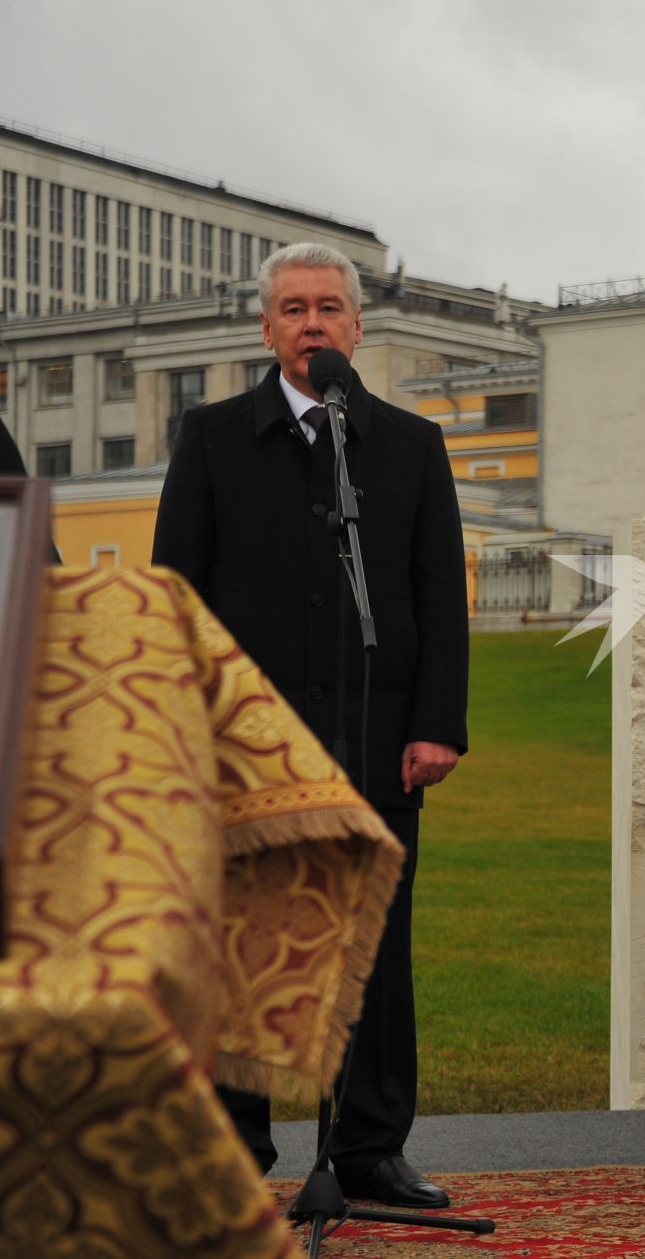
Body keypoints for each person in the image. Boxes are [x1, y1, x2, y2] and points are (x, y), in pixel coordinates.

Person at [152, 243, 469, 1209]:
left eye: (330, 306)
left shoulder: (409, 445)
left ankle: (370, 1149)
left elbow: (437, 599)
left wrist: (437, 726)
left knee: (373, 944)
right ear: (266, 328)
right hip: (247, 747)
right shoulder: (211, 439)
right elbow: (176, 599)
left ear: (359, 325)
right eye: (293, 308)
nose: (313, 324)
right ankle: (238, 1149)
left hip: (377, 746)